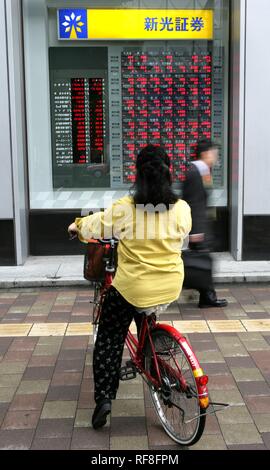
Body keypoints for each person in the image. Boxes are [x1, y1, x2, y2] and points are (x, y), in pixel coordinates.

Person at [68, 145, 191, 429]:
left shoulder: (125, 209)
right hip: (170, 285)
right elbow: (180, 233)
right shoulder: (183, 209)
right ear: (168, 173)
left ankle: (104, 399)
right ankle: (151, 357)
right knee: (146, 316)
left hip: (133, 287)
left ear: (138, 175)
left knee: (110, 338)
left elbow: (97, 225)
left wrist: (77, 226)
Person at [182, 140, 228, 309]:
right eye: (213, 153)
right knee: (203, 260)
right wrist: (195, 230)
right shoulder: (195, 173)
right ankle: (206, 295)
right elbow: (193, 203)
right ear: (205, 154)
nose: (215, 157)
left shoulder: (200, 171)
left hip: (201, 226)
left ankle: (205, 294)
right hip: (198, 228)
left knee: (203, 260)